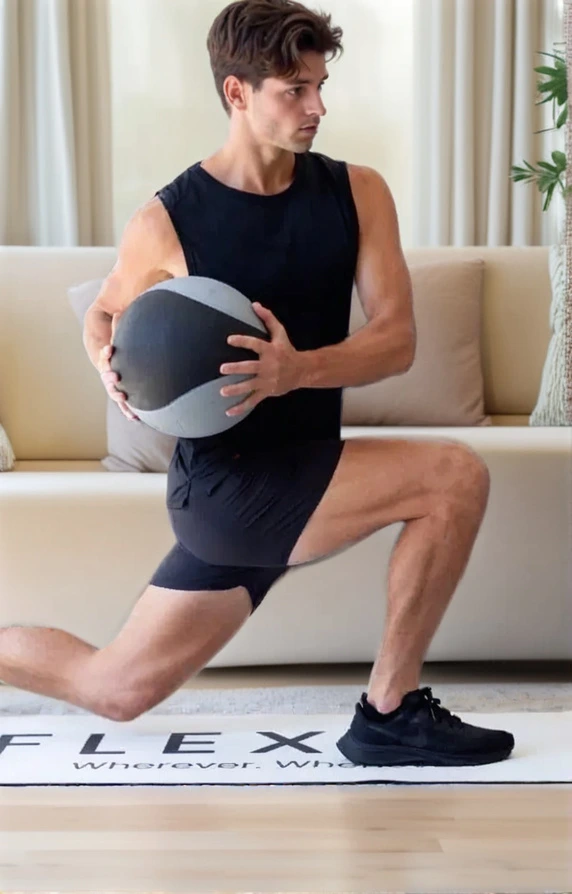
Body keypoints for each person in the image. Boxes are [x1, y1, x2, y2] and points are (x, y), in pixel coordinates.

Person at [0, 0, 514, 767]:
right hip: (226, 490)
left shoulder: (356, 192)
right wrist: (106, 365)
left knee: (118, 688)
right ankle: (389, 712)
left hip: (306, 469)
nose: (317, 107)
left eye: (319, 85)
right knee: (453, 477)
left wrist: (297, 371)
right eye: (293, 90)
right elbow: (105, 312)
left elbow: (396, 341)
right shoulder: (169, 219)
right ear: (237, 93)